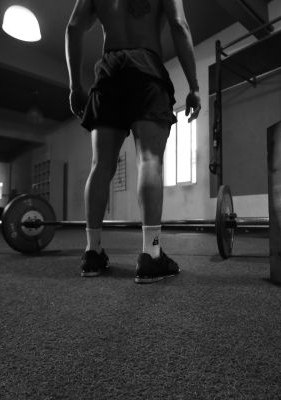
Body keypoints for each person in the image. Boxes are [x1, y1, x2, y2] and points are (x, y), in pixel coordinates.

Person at [65, 0, 201, 282]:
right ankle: (151, 255)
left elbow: (73, 28)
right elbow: (179, 24)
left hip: (109, 71)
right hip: (146, 68)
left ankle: (92, 252)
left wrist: (75, 86)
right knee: (149, 159)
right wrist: (195, 86)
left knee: (100, 165)